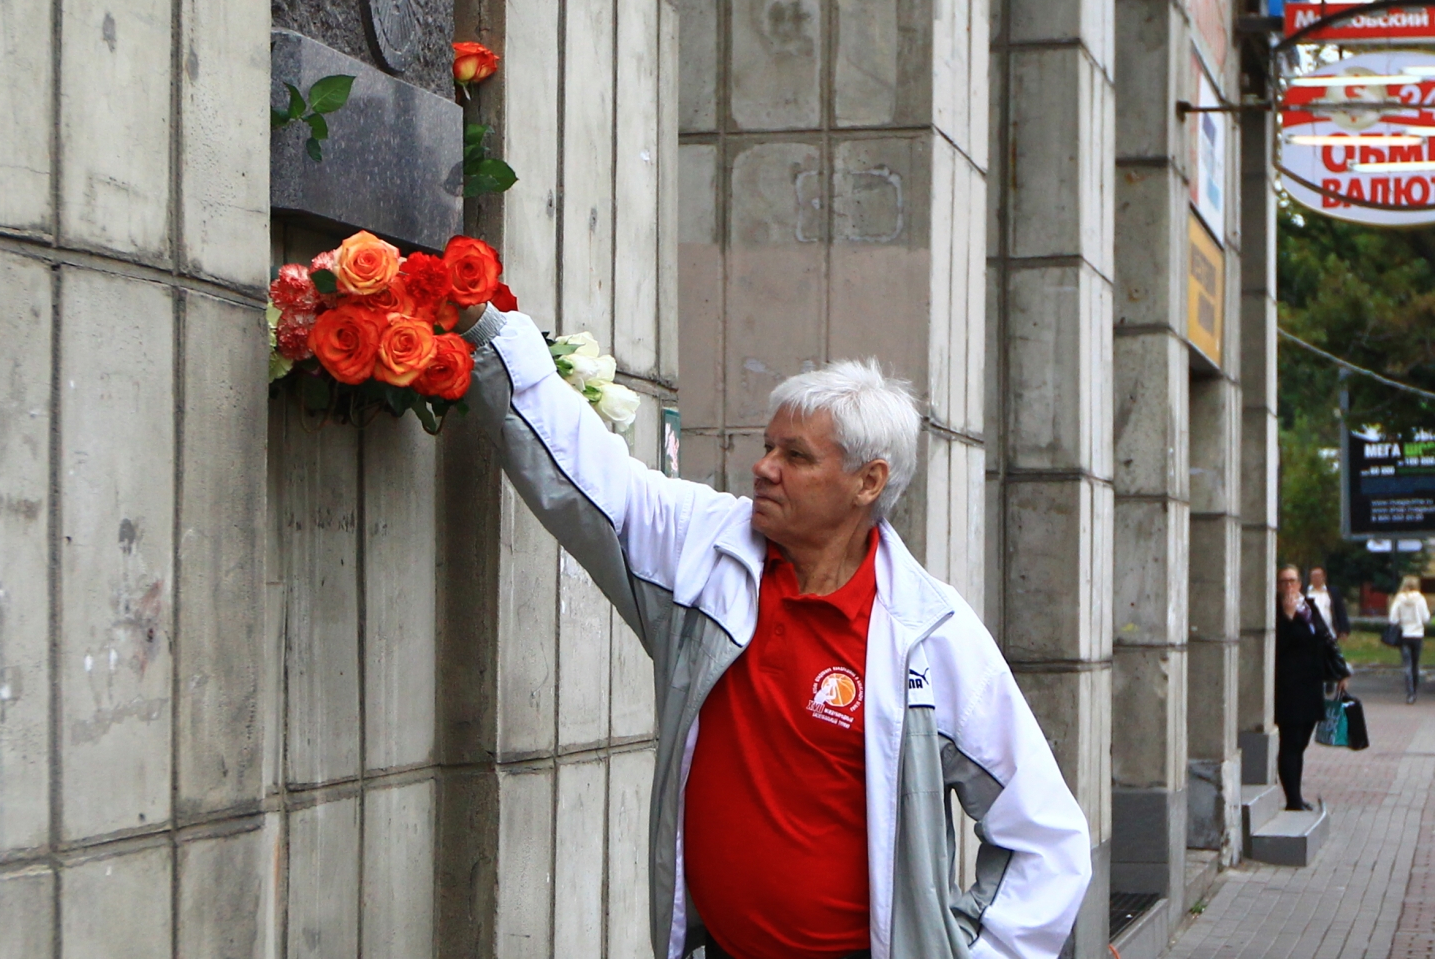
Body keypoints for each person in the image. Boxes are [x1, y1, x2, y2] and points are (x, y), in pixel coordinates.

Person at [455, 303, 1092, 959]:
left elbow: (1046, 837)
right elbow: (589, 475)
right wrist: (487, 330)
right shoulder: (705, 554)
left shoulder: (932, 636)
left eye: (796, 456)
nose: (764, 468)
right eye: (768, 448)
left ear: (867, 482)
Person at [1274, 565, 1345, 811]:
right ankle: (1292, 799)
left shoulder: (1309, 606)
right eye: (1283, 581)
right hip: (1289, 687)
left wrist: (1340, 671)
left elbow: (1325, 638)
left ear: (1300, 583)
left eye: (1292, 580)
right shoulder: (1277, 610)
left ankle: (1297, 795)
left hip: (1311, 684)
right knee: (1290, 743)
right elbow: (1281, 645)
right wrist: (1287, 616)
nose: (1288, 586)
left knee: (1301, 743)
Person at [1389, 575, 1430, 704]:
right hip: (1417, 635)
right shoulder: (1420, 599)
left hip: (1404, 634)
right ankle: (1415, 691)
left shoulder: (1399, 599)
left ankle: (1410, 693)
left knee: (1407, 664)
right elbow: (1425, 618)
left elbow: (1393, 618)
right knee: (1415, 664)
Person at [1306, 566, 1350, 638]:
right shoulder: (1305, 593)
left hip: (1330, 633)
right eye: (1313, 576)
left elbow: (1340, 611)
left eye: (1318, 576)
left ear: (1324, 577)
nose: (1316, 579)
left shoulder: (1333, 592)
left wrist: (1343, 630)